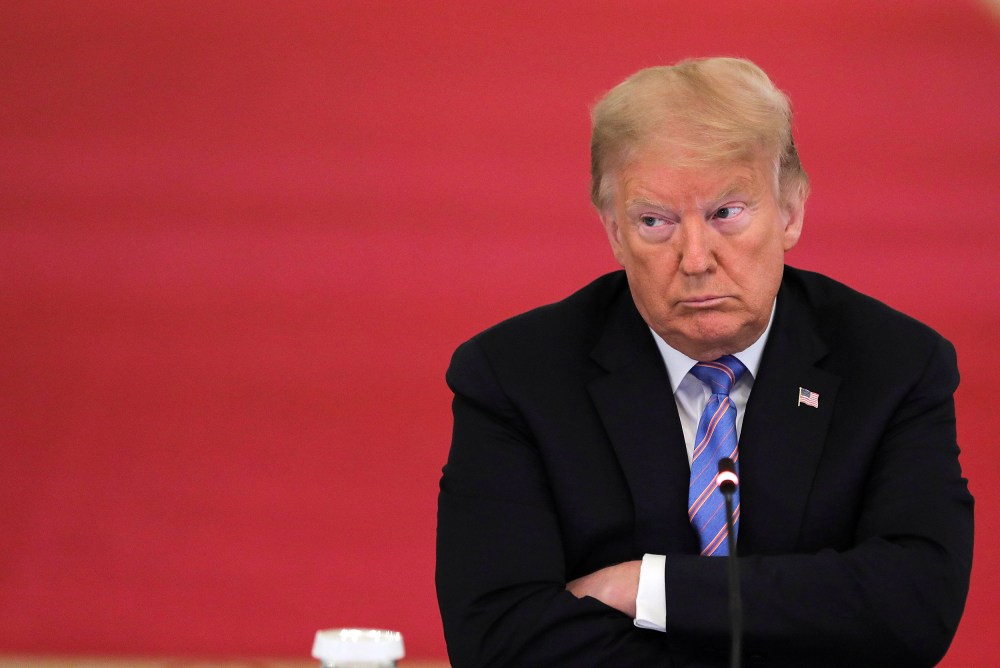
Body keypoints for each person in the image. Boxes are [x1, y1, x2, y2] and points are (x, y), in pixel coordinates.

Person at [435, 57, 973, 667]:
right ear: (613, 231)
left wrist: (650, 588)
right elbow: (500, 638)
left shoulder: (894, 364)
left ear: (791, 211)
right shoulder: (515, 376)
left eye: (726, 213)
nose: (695, 259)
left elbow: (914, 606)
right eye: (654, 221)